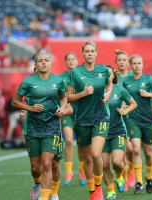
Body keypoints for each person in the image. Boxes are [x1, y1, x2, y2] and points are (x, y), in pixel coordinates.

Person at [11, 52, 68, 200]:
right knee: (36, 169)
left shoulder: (58, 80)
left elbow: (63, 97)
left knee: (48, 164)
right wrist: (29, 108)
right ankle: (37, 182)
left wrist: (62, 108)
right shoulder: (28, 81)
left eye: (46, 60)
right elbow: (15, 101)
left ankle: (47, 196)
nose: (44, 63)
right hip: (32, 128)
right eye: (40, 61)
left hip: (52, 127)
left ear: (50, 63)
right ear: (35, 65)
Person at [66, 41, 113, 200]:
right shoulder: (75, 72)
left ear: (96, 53)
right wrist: (83, 93)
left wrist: (107, 93)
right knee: (86, 158)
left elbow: (109, 84)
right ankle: (92, 191)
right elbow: (68, 96)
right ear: (83, 54)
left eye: (92, 51)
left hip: (100, 117)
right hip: (81, 119)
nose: (90, 53)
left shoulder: (103, 70)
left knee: (95, 153)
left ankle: (99, 187)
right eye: (87, 51)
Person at [123, 54, 152, 194]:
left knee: (148, 153)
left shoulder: (149, 80)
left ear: (142, 65)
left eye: (139, 63)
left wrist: (149, 94)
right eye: (134, 63)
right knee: (135, 150)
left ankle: (149, 178)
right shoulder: (126, 82)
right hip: (133, 120)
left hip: (148, 121)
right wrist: (123, 106)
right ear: (130, 66)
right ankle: (139, 182)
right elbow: (124, 98)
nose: (136, 65)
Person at [19, 105, 72, 200]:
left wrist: (61, 112)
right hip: (34, 131)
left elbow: (69, 109)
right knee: (35, 169)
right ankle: (37, 183)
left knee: (53, 164)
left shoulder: (58, 90)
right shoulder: (32, 90)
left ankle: (52, 193)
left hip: (53, 131)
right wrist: (25, 113)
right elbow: (28, 106)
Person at [102, 65, 137, 199]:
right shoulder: (96, 90)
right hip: (101, 132)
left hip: (117, 130)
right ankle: (111, 191)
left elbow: (133, 103)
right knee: (104, 165)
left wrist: (125, 111)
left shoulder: (119, 90)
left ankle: (119, 176)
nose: (107, 76)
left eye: (109, 74)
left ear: (113, 76)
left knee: (117, 162)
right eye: (104, 74)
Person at [59, 53, 86, 186]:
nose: (70, 62)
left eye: (73, 59)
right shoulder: (60, 78)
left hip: (81, 114)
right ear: (65, 62)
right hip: (67, 113)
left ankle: (82, 170)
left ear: (77, 61)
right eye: (68, 59)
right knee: (69, 140)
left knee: (81, 144)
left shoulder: (82, 75)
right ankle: (69, 171)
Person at [114, 49, 135, 191]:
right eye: (119, 60)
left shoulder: (133, 77)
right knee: (123, 149)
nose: (122, 62)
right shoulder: (113, 76)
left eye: (124, 60)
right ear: (115, 62)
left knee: (131, 149)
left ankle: (132, 170)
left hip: (132, 115)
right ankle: (125, 177)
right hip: (118, 116)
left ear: (128, 63)